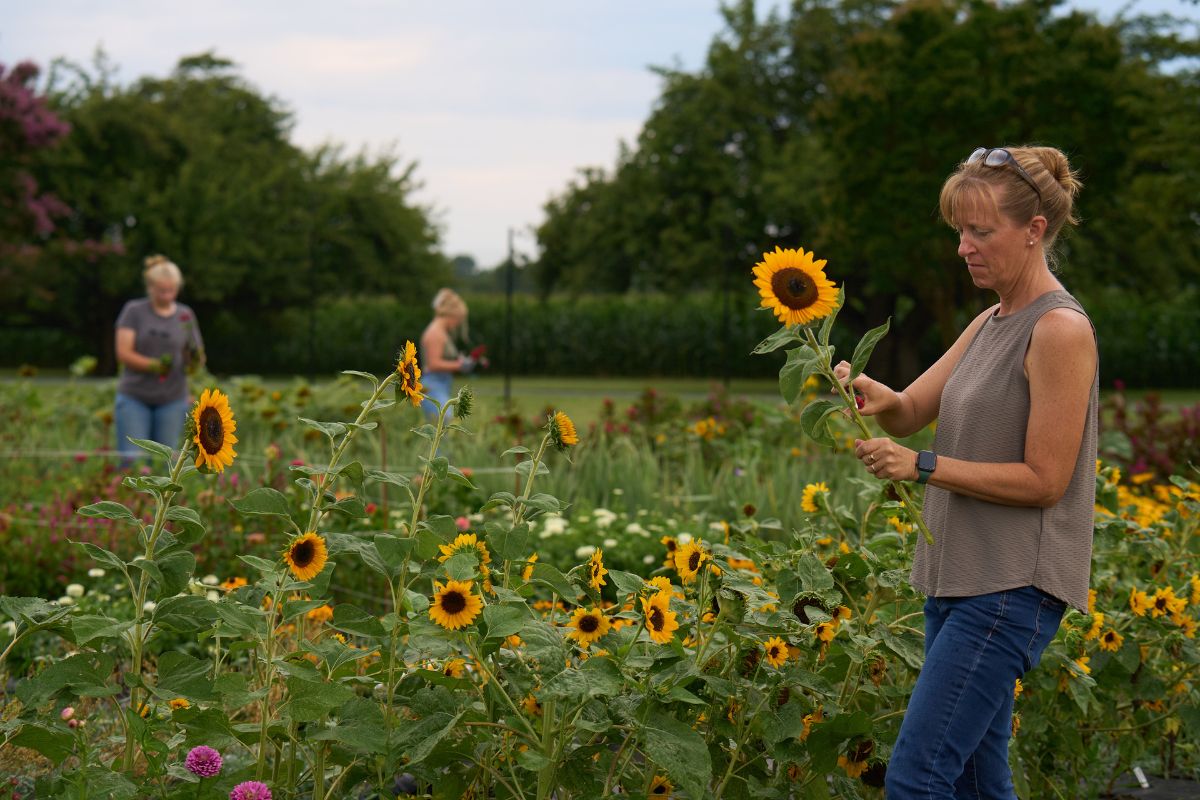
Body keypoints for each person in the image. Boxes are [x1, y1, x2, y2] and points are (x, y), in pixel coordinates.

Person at [833, 145, 1097, 798]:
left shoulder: (1059, 330)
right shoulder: (989, 323)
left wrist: (922, 466)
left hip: (1011, 589)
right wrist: (870, 391)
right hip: (958, 579)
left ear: (1034, 231)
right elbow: (908, 410)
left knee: (916, 781)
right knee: (981, 783)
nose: (963, 247)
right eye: (960, 231)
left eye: (981, 231)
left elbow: (1046, 481)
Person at [114, 254, 205, 460]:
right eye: (161, 291)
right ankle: (129, 493)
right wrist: (155, 366)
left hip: (172, 399)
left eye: (171, 290)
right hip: (135, 396)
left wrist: (194, 359)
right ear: (150, 287)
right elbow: (123, 352)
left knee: (164, 460)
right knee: (132, 459)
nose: (166, 295)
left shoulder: (185, 315)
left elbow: (196, 355)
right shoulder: (134, 311)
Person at [419, 288, 485, 419]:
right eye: (458, 319)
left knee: (443, 425)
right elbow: (433, 364)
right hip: (432, 386)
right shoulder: (435, 333)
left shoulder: (441, 332)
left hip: (441, 384)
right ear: (451, 315)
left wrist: (460, 361)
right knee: (445, 421)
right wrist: (459, 365)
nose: (458, 323)